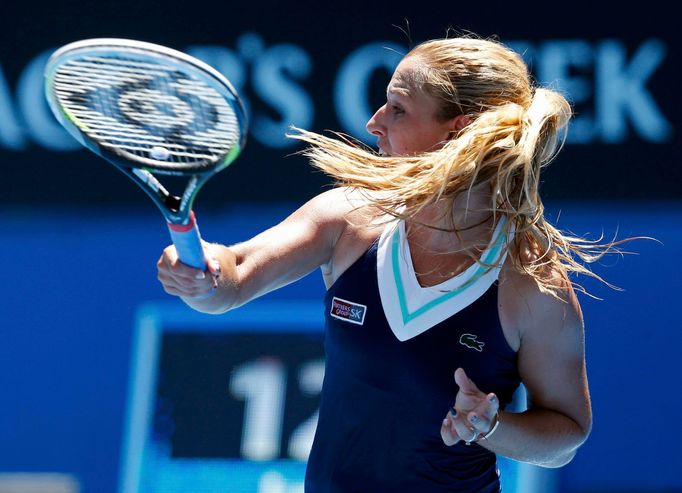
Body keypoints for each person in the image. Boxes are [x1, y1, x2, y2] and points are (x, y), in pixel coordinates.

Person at [157, 36, 601, 492]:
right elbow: (234, 274)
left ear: (457, 130)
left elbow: (564, 438)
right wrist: (204, 270)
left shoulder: (532, 286)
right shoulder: (348, 218)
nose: (374, 122)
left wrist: (491, 427)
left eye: (397, 108)